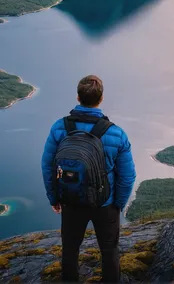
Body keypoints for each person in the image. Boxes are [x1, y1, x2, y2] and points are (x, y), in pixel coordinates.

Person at [42, 75, 136, 283]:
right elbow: (128, 176)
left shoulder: (60, 128)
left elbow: (48, 166)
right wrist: (117, 204)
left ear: (78, 97)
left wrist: (54, 197)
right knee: (109, 249)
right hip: (105, 203)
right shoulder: (116, 134)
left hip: (71, 199)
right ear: (101, 99)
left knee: (70, 249)